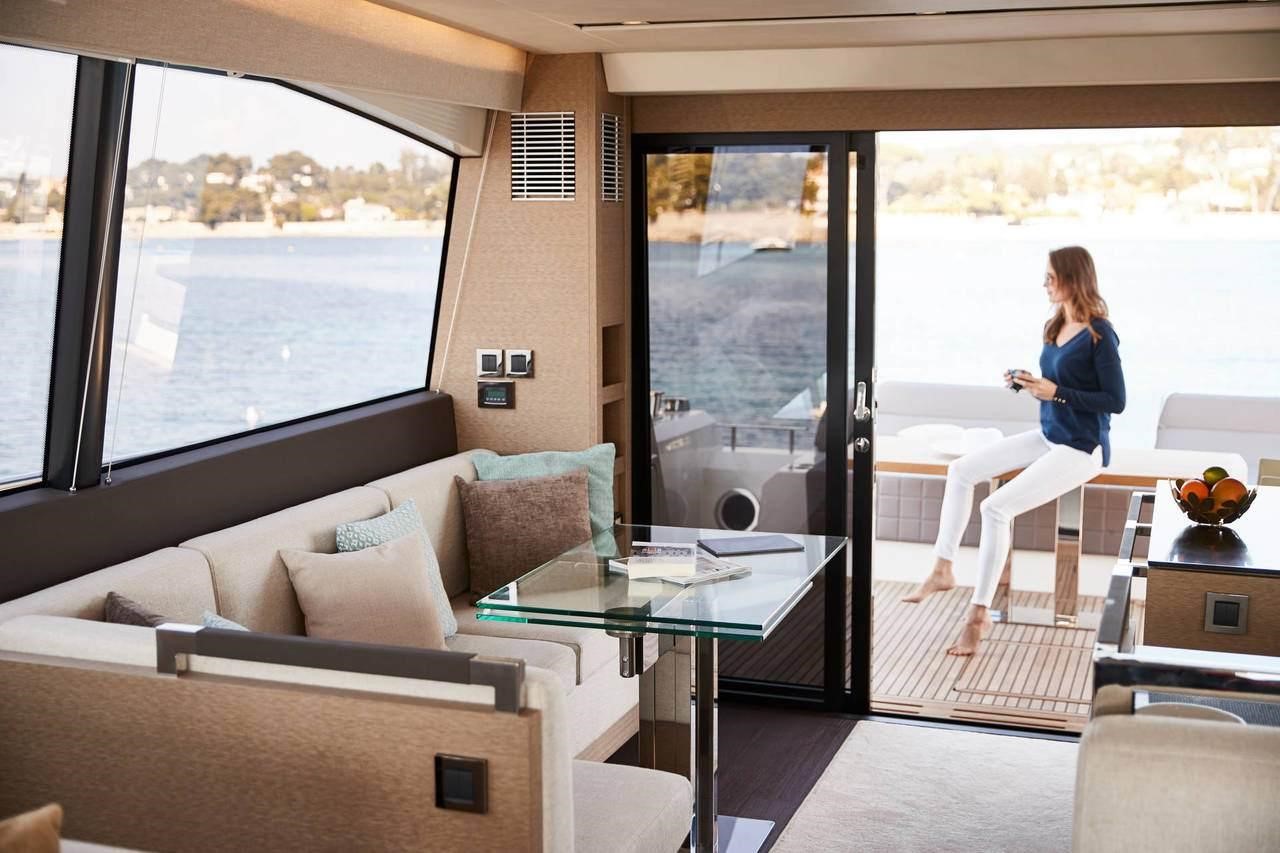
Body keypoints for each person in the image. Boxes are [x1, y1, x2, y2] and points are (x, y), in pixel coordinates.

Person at [902, 246, 1126, 656]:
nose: (1044, 283)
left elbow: (1115, 400)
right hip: (1048, 434)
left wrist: (1056, 393)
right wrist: (1028, 382)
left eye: (1050, 276)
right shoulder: (1055, 325)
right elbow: (1054, 385)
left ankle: (978, 617)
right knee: (962, 471)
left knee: (995, 509)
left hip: (1082, 447)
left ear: (1073, 279)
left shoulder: (1100, 333)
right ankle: (942, 568)